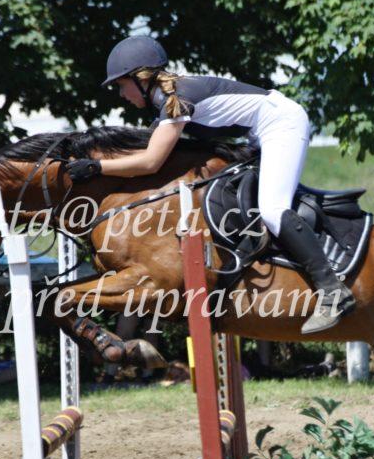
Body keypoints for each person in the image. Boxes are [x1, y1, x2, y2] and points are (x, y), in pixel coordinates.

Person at [70, 35, 355, 333]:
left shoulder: (176, 99)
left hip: (282, 125)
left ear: (140, 78)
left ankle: (333, 292)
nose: (121, 94)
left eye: (121, 84)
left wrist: (97, 167)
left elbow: (150, 162)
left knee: (272, 210)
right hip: (259, 133)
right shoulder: (168, 99)